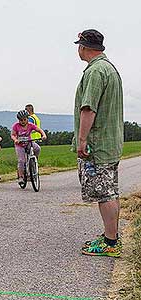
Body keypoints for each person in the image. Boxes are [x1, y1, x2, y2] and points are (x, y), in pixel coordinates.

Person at [73, 29, 123, 257]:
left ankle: (110, 244)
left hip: (98, 144)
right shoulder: (110, 69)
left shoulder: (95, 71)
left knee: (104, 194)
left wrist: (82, 140)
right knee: (110, 192)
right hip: (110, 141)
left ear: (83, 47)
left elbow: (88, 108)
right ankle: (110, 236)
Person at [11, 110, 47, 186]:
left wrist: (43, 135)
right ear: (18, 120)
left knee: (37, 148)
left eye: (25, 119)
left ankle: (34, 161)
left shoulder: (30, 125)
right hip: (20, 145)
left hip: (29, 142)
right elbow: (13, 135)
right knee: (21, 161)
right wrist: (15, 140)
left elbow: (39, 130)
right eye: (21, 120)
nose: (23, 121)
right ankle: (21, 177)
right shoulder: (16, 126)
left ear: (27, 118)